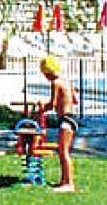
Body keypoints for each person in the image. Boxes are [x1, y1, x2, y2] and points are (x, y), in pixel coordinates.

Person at [21, 55, 79, 191]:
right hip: (71, 118)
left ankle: (69, 184)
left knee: (63, 152)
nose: (45, 77)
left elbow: (52, 104)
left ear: (48, 72)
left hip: (65, 120)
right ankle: (64, 180)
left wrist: (41, 107)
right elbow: (75, 100)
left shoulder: (55, 83)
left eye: (45, 74)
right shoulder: (67, 81)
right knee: (62, 151)